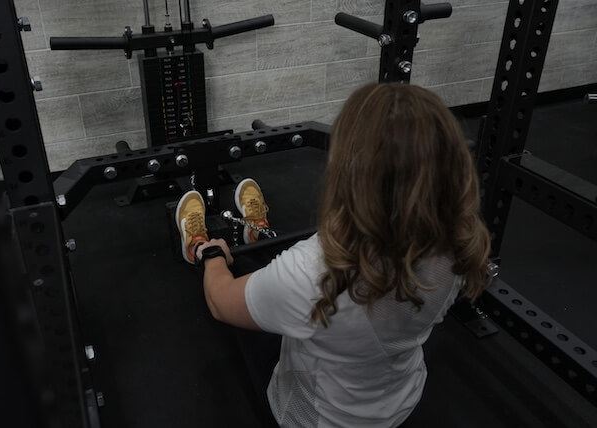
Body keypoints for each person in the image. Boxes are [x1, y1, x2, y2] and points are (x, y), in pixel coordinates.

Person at [174, 83, 491, 427]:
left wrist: (213, 257)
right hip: (399, 402)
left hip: (317, 417)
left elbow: (220, 302)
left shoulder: (313, 270)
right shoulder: (461, 241)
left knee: (241, 279)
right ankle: (256, 230)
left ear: (349, 171)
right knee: (278, 282)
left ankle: (199, 245)